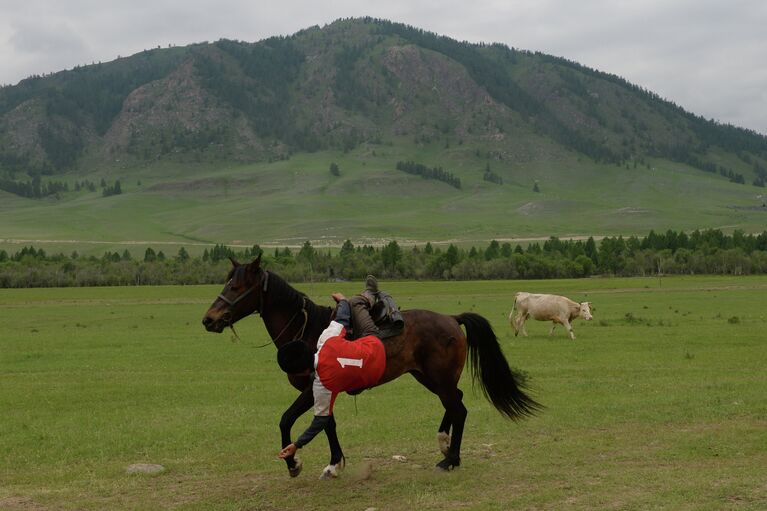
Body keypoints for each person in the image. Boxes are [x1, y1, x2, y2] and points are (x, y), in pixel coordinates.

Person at [277, 292, 387, 462]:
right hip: (376, 347)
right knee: (355, 302)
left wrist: (297, 444)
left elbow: (319, 422)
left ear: (302, 372)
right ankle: (367, 296)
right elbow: (343, 318)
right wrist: (343, 301)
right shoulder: (326, 338)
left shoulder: (322, 385)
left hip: (374, 376)